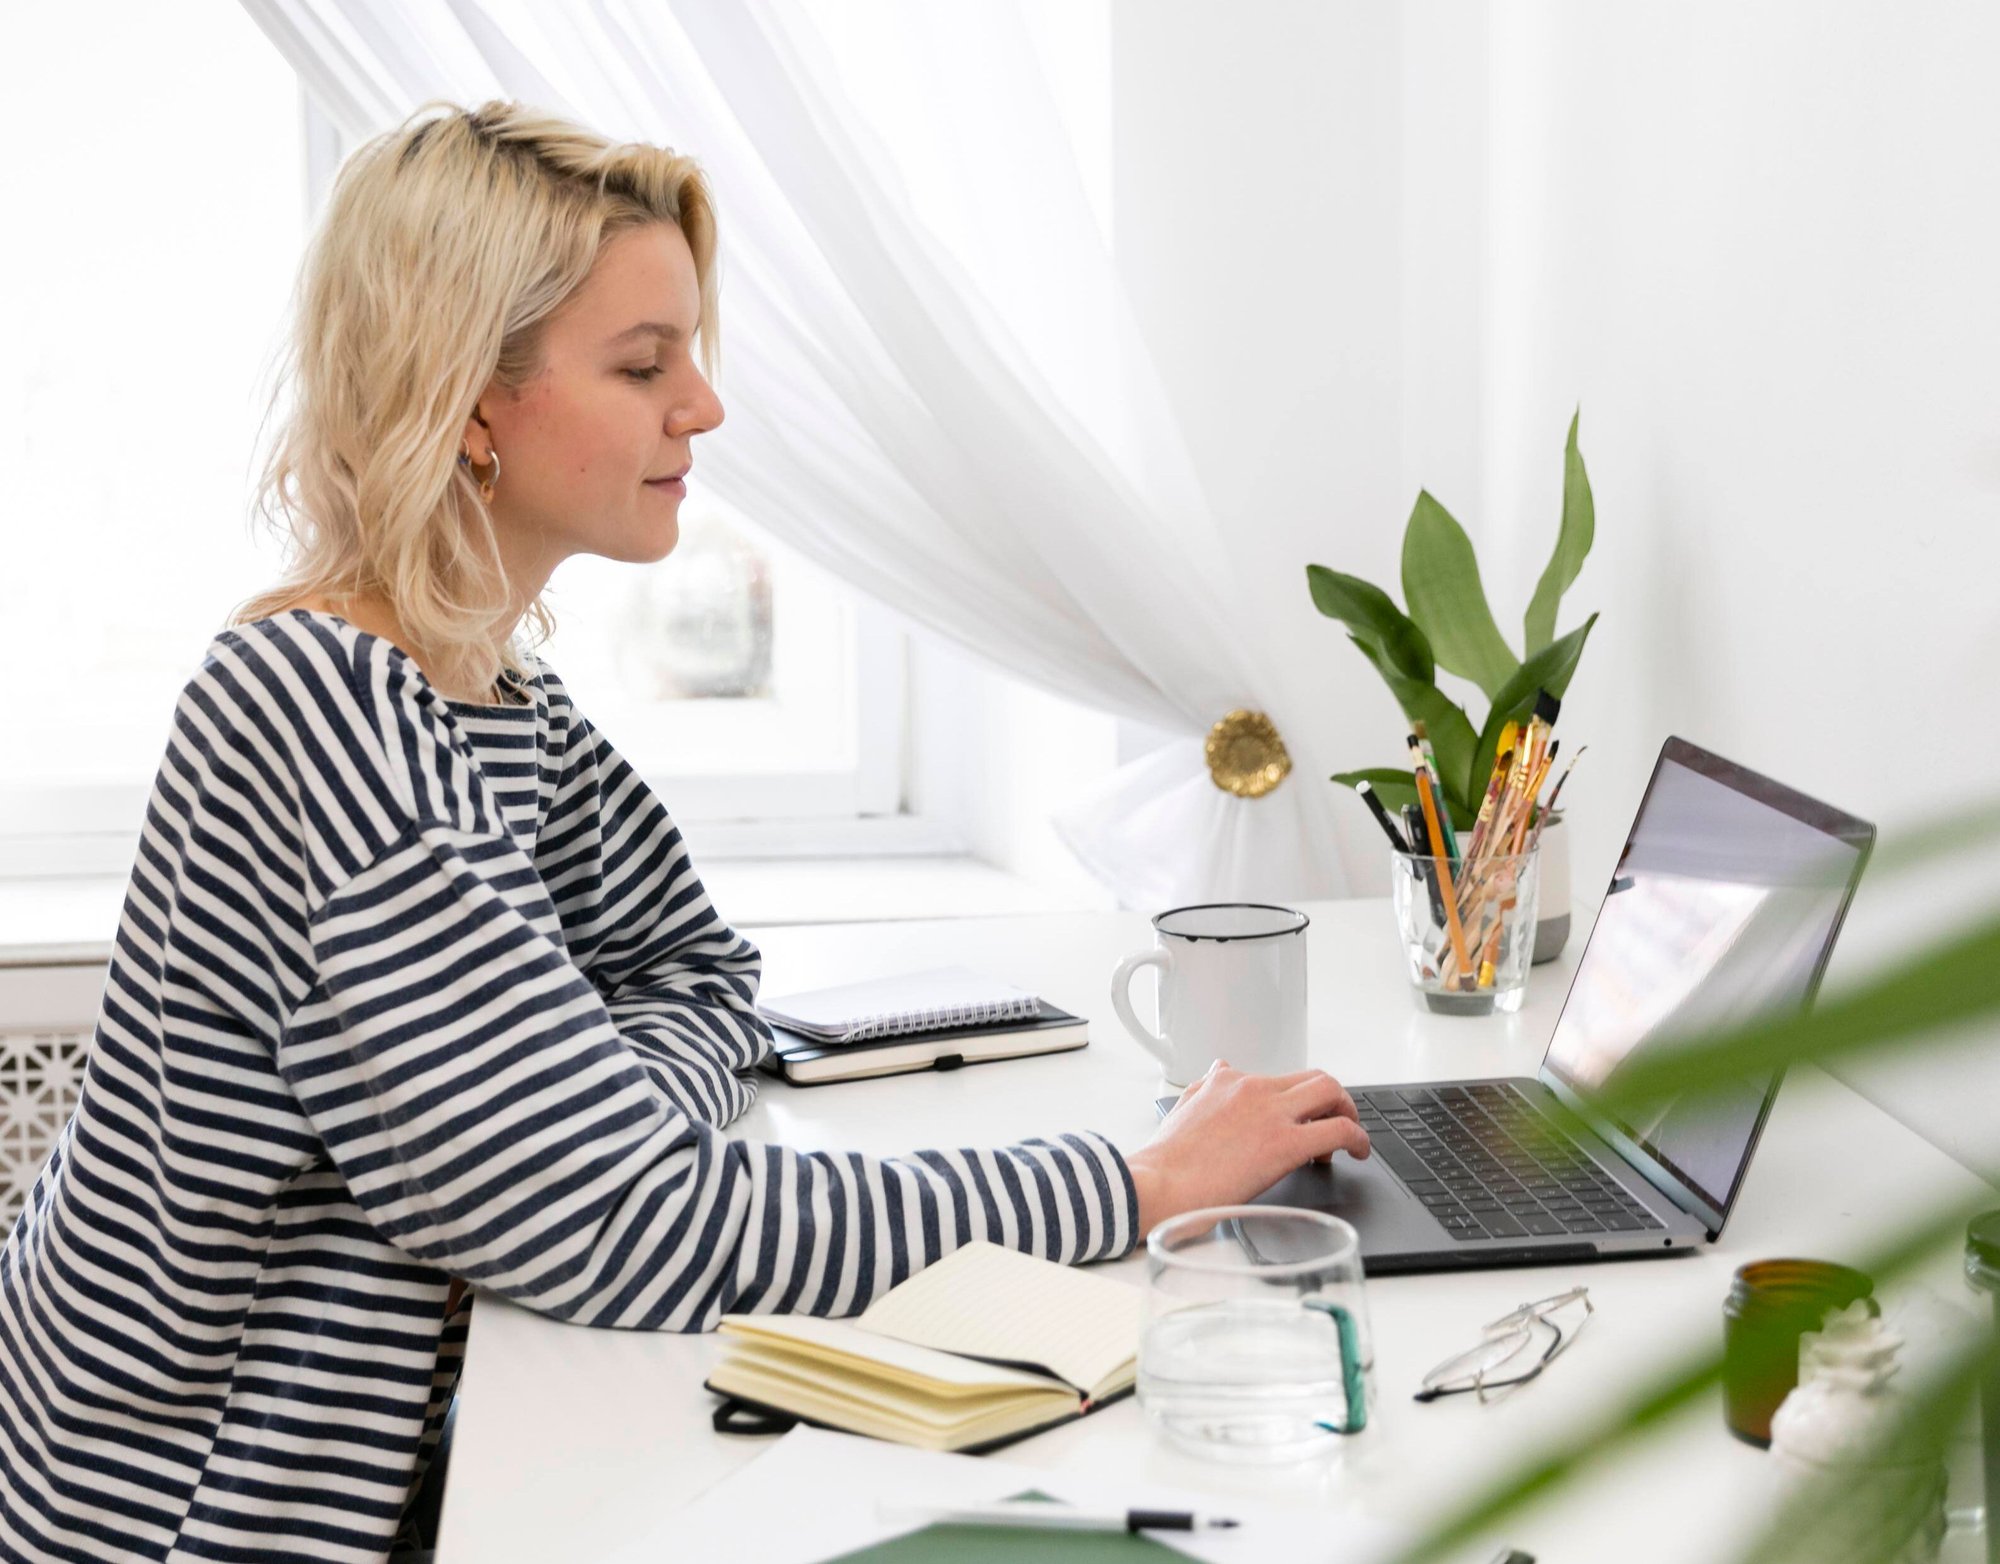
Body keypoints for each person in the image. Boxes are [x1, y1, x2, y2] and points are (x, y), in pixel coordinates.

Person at [0, 100, 1370, 1564]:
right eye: (645, 364)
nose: (702, 408)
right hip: (198, 1511)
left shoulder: (485, 686)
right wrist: (1136, 1185)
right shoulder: (323, 716)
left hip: (388, 1447)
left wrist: (606, 1116)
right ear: (469, 401)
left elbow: (695, 972)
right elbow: (630, 1225)